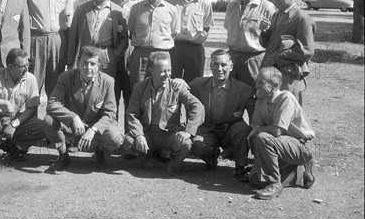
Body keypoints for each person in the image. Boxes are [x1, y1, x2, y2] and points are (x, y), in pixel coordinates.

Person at [43, 46, 123, 173]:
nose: (88, 67)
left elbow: (110, 114)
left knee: (115, 137)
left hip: (95, 125)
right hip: (73, 125)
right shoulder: (65, 77)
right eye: (84, 63)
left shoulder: (108, 81)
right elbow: (52, 104)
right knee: (48, 120)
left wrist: (93, 129)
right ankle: (63, 154)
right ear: (78, 62)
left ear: (99, 66)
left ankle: (100, 151)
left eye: (92, 64)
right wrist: (73, 117)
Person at [124, 51, 205, 175]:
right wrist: (139, 135)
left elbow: (197, 107)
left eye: (169, 70)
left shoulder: (177, 87)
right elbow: (132, 114)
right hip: (148, 132)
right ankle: (149, 155)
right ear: (151, 71)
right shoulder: (139, 87)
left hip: (170, 133)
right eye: (162, 71)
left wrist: (188, 131)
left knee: (185, 143)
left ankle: (174, 163)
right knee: (127, 141)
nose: (167, 75)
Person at [245, 67, 316, 200]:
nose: (256, 86)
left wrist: (258, 130)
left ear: (275, 85)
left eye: (261, 83)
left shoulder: (286, 98)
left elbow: (277, 130)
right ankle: (297, 171)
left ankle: (275, 184)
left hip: (302, 145)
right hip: (282, 144)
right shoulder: (261, 99)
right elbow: (256, 127)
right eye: (257, 82)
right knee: (255, 181)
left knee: (262, 137)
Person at [189, 50, 255, 179]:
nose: (220, 69)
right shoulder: (198, 85)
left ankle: (240, 167)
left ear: (231, 66)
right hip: (208, 130)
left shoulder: (244, 90)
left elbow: (254, 118)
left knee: (243, 128)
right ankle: (210, 156)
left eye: (224, 65)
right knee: (197, 146)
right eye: (215, 64)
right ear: (210, 66)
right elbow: (182, 92)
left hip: (230, 130)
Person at [19, 0, 72, 97]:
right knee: (33, 82)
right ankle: (31, 118)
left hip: (57, 41)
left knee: (56, 84)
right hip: (36, 40)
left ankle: (53, 119)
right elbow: (15, 11)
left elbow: (68, 22)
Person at [260, 0, 316, 105]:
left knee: (288, 113)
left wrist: (279, 56)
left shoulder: (302, 18)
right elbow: (266, 44)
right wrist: (265, 31)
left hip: (288, 76)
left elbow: (307, 51)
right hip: (271, 74)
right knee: (271, 112)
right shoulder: (276, 14)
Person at [67, 0, 128, 78]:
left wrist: (114, 55)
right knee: (84, 90)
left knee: (104, 89)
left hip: (106, 58)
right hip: (86, 56)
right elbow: (73, 37)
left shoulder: (118, 12)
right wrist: (70, 61)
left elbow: (124, 39)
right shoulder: (81, 10)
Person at [224, 0, 276, 89]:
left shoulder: (267, 7)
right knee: (231, 96)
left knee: (253, 96)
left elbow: (274, 37)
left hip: (254, 60)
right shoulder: (231, 6)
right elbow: (228, 28)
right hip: (232, 57)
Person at [127, 0, 179, 88]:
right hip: (140, 54)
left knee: (161, 90)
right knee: (137, 89)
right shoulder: (136, 9)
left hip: (162, 55)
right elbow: (131, 31)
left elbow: (174, 32)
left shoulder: (172, 10)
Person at [167, 0, 213, 83]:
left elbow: (206, 27)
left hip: (195, 50)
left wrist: (199, 38)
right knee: (171, 83)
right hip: (174, 48)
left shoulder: (205, 3)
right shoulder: (169, 2)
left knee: (194, 85)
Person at [110, 0, 144, 121]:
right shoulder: (110, 0)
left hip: (132, 52)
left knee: (132, 97)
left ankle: (130, 137)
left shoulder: (142, 3)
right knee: (111, 96)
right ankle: (111, 137)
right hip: (113, 53)